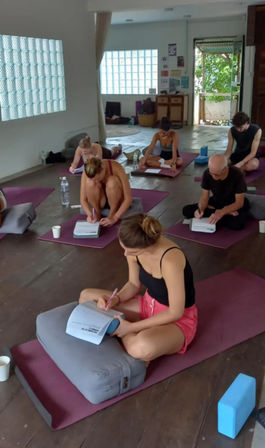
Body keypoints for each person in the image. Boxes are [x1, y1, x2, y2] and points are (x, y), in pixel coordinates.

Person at [79, 214, 198, 362]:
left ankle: (122, 330)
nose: (126, 254)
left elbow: (175, 313)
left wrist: (130, 329)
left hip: (175, 321)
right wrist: (115, 299)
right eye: (124, 248)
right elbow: (133, 284)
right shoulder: (133, 248)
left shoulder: (170, 260)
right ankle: (125, 328)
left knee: (140, 347)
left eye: (132, 251)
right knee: (86, 296)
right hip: (147, 306)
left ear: (147, 245)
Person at [183, 154, 249, 230]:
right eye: (211, 173)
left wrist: (222, 212)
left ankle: (216, 215)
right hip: (217, 201)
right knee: (186, 210)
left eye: (216, 175)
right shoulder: (207, 173)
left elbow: (239, 203)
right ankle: (220, 216)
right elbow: (205, 197)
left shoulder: (238, 174)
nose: (213, 177)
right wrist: (200, 210)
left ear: (225, 169)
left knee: (238, 224)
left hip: (233, 204)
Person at [80, 157, 132, 227]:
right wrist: (89, 214)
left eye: (98, 178)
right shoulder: (86, 172)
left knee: (112, 181)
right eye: (94, 179)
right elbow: (83, 200)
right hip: (101, 201)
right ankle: (97, 214)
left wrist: (115, 218)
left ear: (103, 168)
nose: (96, 181)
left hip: (116, 198)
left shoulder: (116, 167)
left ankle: (111, 214)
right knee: (90, 183)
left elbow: (128, 199)